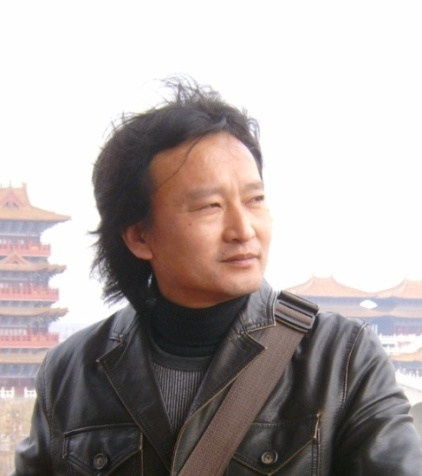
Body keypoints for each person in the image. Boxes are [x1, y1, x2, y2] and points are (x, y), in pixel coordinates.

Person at [12, 77, 422, 475]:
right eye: (210, 206)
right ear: (139, 236)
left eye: (254, 199)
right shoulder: (72, 373)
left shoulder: (341, 360)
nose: (243, 229)